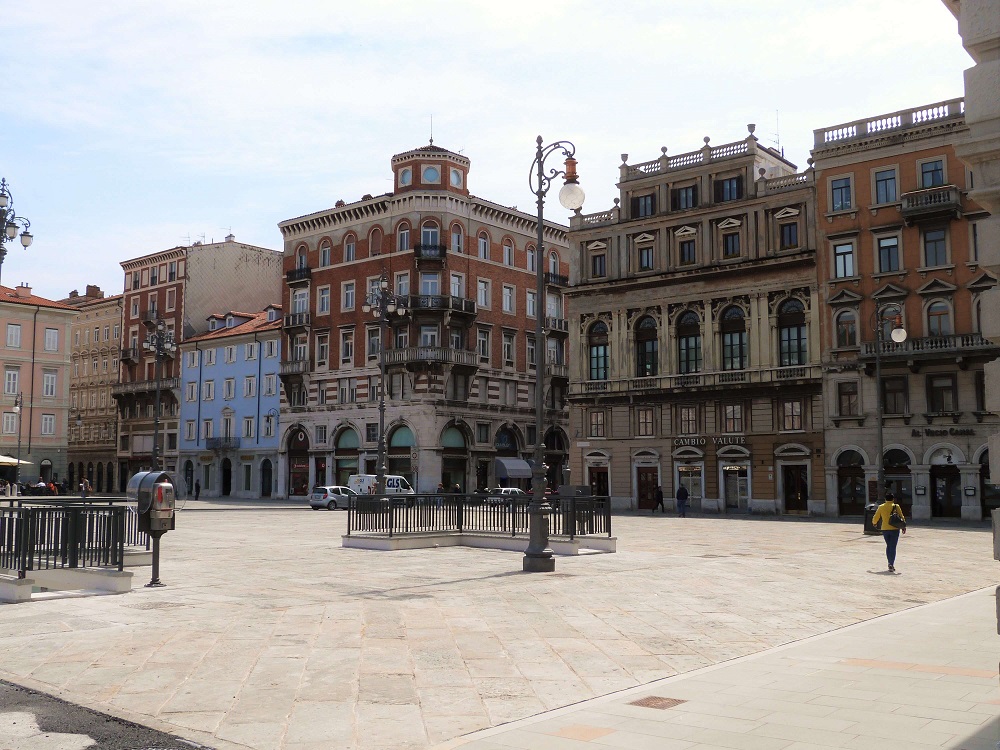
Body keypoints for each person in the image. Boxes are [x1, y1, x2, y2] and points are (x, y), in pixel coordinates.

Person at [872, 491, 906, 572]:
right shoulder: (896, 506)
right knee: (893, 546)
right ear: (893, 499)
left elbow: (876, 517)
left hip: (885, 529)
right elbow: (901, 516)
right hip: (894, 528)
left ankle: (889, 563)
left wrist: (874, 523)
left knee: (888, 545)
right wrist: (903, 526)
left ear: (885, 499)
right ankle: (891, 563)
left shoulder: (881, 506)